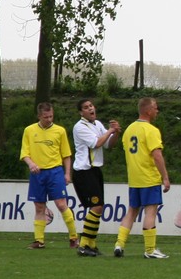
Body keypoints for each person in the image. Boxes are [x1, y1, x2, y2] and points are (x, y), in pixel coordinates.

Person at [114, 97, 171, 259]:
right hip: (148, 177)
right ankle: (150, 250)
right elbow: (157, 155)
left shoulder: (129, 130)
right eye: (155, 108)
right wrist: (165, 177)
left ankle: (119, 244)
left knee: (132, 211)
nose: (157, 110)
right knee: (150, 211)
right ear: (148, 111)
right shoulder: (151, 130)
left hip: (134, 178)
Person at [20, 102, 78, 249]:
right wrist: (31, 164)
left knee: (61, 204)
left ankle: (74, 238)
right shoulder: (29, 130)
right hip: (37, 174)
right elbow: (24, 153)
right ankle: (39, 241)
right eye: (46, 117)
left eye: (51, 116)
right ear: (39, 116)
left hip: (55, 171)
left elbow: (66, 155)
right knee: (39, 207)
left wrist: (67, 173)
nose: (49, 119)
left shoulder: (60, 131)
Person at [72, 98, 121, 257]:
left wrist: (116, 133)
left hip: (95, 170)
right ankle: (84, 244)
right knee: (96, 206)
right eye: (86, 107)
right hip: (84, 170)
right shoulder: (80, 127)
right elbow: (96, 143)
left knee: (98, 207)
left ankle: (91, 244)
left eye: (91, 105)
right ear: (81, 112)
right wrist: (109, 131)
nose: (90, 108)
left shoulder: (97, 124)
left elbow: (109, 145)